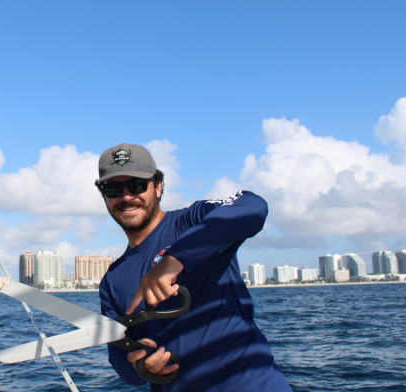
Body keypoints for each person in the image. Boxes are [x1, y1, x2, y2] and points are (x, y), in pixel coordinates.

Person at [97, 143, 292, 391]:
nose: (126, 196)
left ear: (158, 187)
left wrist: (174, 259)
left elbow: (253, 206)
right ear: (104, 195)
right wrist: (140, 365)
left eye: (137, 185)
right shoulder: (111, 281)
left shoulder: (193, 221)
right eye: (113, 188)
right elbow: (120, 358)